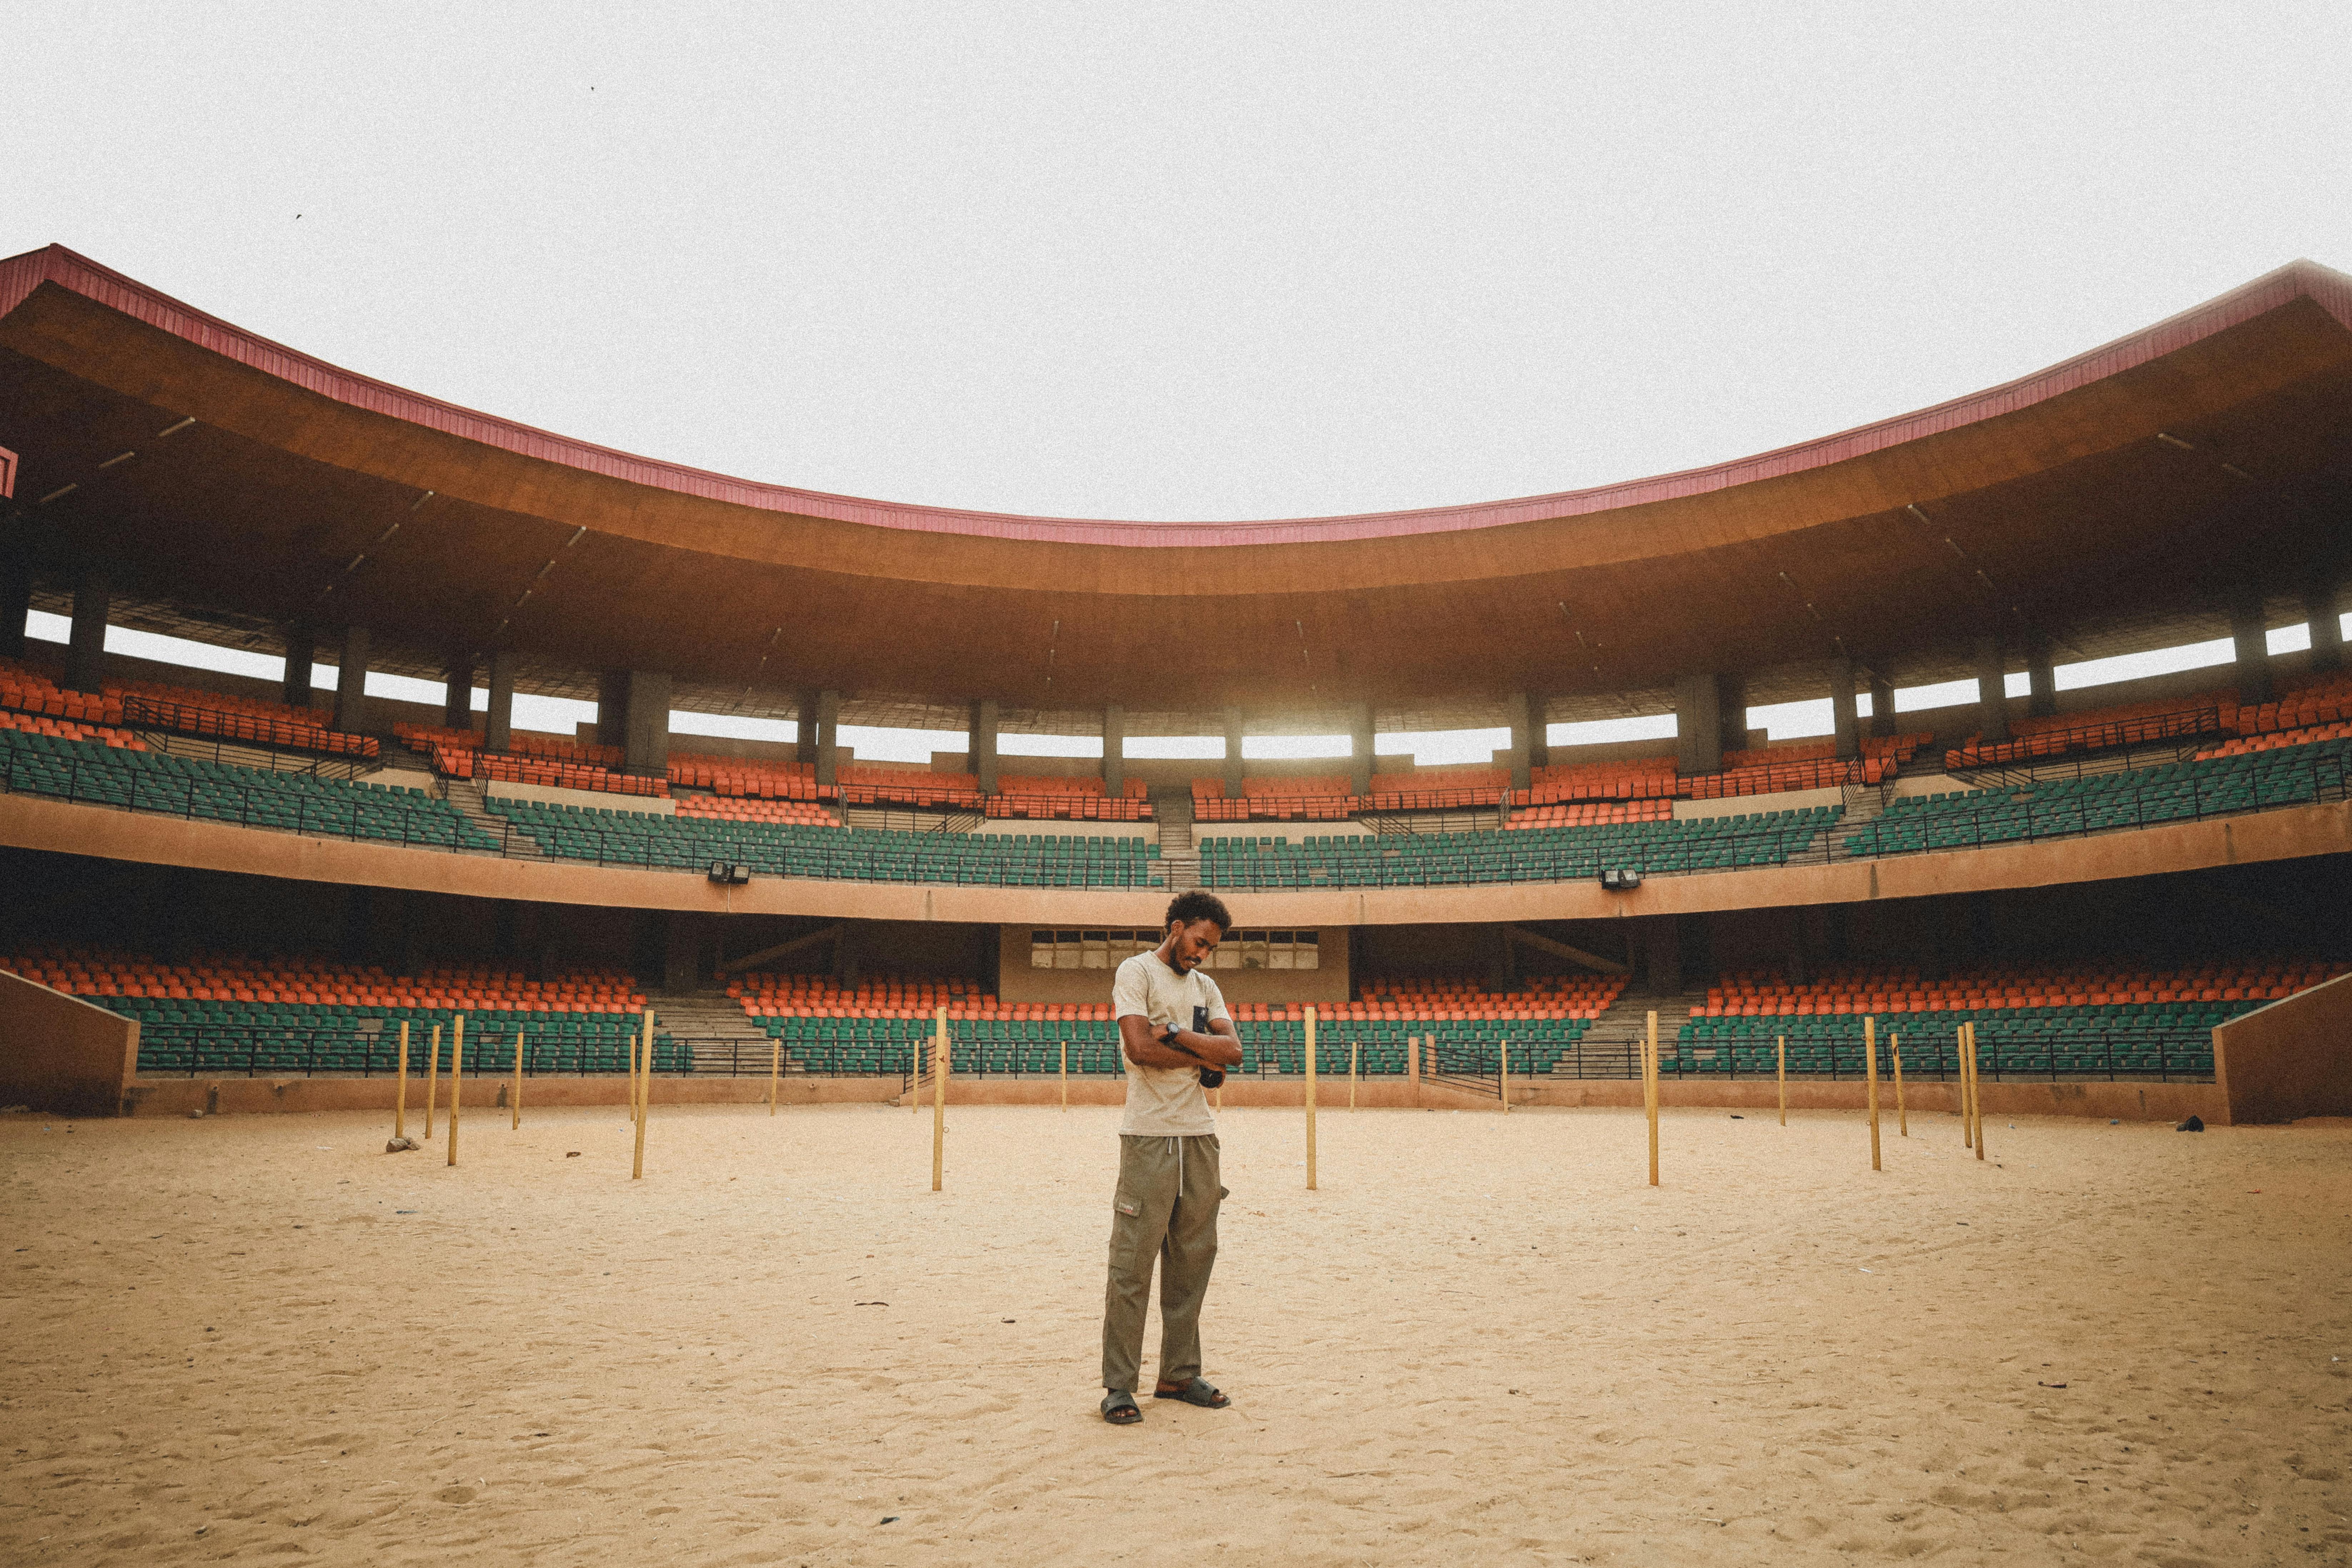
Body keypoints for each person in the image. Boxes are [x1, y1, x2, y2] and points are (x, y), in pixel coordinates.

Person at [1099, 889, 1245, 1425]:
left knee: (1192, 1261)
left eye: (1211, 947)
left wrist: (1180, 1035)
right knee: (1132, 1265)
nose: (1203, 953)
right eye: (1199, 941)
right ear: (1177, 926)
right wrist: (1201, 1052)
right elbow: (1138, 1047)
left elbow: (1233, 1051)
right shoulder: (1135, 972)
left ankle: (1179, 1374)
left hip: (1200, 1138)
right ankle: (1120, 1385)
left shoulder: (1206, 986)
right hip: (1149, 1136)